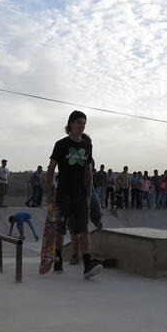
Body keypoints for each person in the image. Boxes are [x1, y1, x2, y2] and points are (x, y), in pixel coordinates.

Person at [45, 110, 103, 279]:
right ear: (70, 124)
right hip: (63, 195)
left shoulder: (87, 146)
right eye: (79, 122)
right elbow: (50, 170)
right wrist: (49, 194)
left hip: (81, 195)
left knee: (84, 230)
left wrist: (89, 192)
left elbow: (88, 171)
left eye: (84, 123)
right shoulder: (61, 144)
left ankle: (87, 265)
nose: (82, 126)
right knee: (61, 230)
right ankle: (57, 260)